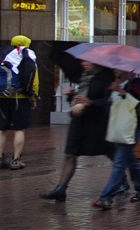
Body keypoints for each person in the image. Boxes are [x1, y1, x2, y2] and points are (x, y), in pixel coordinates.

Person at [41, 60, 115, 202]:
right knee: (70, 154)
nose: (83, 64)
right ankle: (61, 189)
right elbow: (82, 96)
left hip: (96, 123)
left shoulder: (106, 77)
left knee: (108, 151)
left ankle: (122, 177)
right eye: (82, 61)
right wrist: (72, 94)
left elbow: (106, 102)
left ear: (95, 62)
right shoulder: (84, 75)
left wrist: (89, 103)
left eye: (87, 61)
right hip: (78, 120)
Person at [93, 72, 140, 209]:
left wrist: (120, 91)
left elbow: (136, 102)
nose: (115, 70)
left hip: (132, 129)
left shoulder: (135, 82)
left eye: (118, 68)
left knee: (119, 163)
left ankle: (106, 197)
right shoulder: (111, 84)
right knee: (130, 160)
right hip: (117, 128)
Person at [0, 35, 38, 171]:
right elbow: (33, 79)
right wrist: (33, 97)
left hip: (1, 96)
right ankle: (16, 160)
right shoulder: (27, 55)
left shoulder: (2, 54)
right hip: (20, 96)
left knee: (2, 128)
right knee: (19, 128)